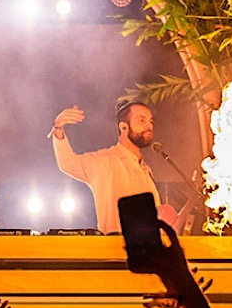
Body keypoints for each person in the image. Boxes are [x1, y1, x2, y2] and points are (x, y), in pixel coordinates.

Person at [50, 99, 159, 234]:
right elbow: (68, 163)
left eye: (151, 121)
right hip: (117, 251)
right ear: (123, 127)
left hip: (151, 251)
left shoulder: (146, 170)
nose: (149, 126)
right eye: (142, 121)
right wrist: (58, 128)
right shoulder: (105, 161)